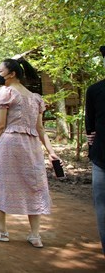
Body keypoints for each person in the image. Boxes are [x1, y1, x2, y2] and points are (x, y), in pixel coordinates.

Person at [0, 58, 60, 248]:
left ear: (12, 73)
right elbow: (40, 128)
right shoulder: (35, 97)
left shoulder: (5, 92)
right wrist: (51, 151)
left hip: (9, 143)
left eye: (0, 70)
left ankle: (0, 229)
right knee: (34, 184)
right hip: (32, 147)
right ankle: (34, 235)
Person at [86, 45, 105, 255]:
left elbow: (90, 127)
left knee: (102, 207)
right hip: (100, 157)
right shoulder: (95, 90)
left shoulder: (95, 90)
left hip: (100, 155)